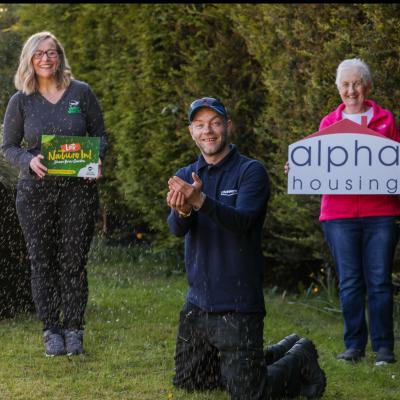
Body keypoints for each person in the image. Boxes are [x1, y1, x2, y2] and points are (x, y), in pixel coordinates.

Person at [166, 97, 326, 399]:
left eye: (214, 123)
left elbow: (243, 222)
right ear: (191, 131)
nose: (208, 131)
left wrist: (199, 201)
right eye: (200, 125)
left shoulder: (251, 171)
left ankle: (301, 356)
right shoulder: (186, 174)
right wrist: (183, 211)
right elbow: (176, 229)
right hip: (198, 304)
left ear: (228, 125)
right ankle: (276, 352)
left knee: (248, 392)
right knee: (190, 382)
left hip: (238, 304)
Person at [2, 31, 107, 357]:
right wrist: (28, 160)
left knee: (73, 262)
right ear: (30, 60)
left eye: (52, 53)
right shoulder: (21, 100)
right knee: (42, 262)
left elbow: (100, 136)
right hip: (34, 194)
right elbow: (6, 147)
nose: (46, 58)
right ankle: (51, 330)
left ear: (59, 57)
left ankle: (74, 329)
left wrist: (96, 160)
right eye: (39, 54)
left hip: (78, 193)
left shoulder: (81, 93)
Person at [307, 59, 398, 365]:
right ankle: (354, 346)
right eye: (345, 84)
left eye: (357, 83)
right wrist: (300, 168)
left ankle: (384, 349)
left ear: (367, 86)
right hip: (339, 215)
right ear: (338, 88)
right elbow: (317, 164)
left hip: (381, 213)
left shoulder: (386, 120)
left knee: (380, 282)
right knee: (349, 282)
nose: (351, 90)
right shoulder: (328, 123)